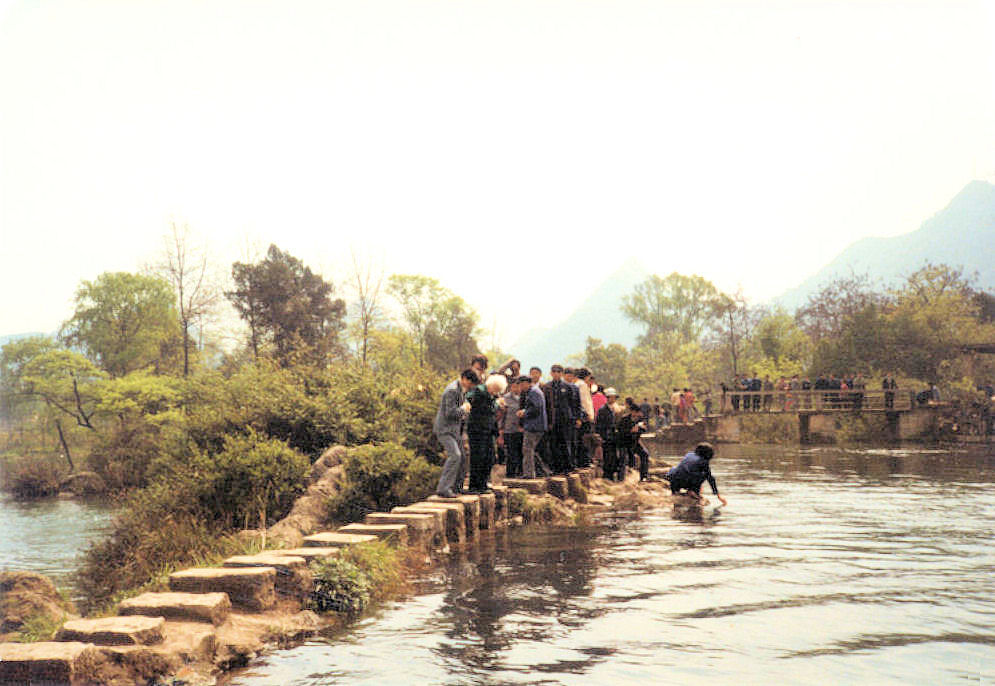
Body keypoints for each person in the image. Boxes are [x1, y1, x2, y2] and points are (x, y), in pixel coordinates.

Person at [433, 369, 479, 497]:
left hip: (454, 430)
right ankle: (443, 488)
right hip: (445, 430)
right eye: (471, 384)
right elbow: (450, 413)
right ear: (465, 379)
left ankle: (457, 487)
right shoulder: (452, 390)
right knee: (455, 455)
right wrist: (463, 409)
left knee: (463, 457)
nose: (471, 387)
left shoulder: (460, 389)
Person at [463, 374, 507, 493]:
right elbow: (468, 398)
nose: (496, 393)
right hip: (477, 430)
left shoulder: (492, 396)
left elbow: (492, 408)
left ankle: (483, 483)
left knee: (489, 457)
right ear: (491, 386)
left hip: (487, 430)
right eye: (496, 390)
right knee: (478, 457)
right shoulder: (479, 391)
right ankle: (475, 486)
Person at [518, 375, 550, 478]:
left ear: (527, 383)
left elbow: (536, 408)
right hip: (535, 425)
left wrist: (524, 413)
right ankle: (544, 471)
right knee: (531, 450)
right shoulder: (532, 392)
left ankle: (529, 474)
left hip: (534, 426)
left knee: (527, 449)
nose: (521, 387)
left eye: (522, 384)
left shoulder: (534, 392)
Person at [617, 398, 650, 481]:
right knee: (623, 458)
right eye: (635, 413)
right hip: (624, 442)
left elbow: (644, 429)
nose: (637, 415)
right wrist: (630, 431)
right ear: (632, 412)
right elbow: (620, 432)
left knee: (645, 454)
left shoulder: (640, 419)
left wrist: (640, 428)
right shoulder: (624, 419)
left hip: (634, 442)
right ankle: (621, 478)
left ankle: (643, 477)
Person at [498, 377, 524, 478]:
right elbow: (502, 416)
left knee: (521, 453)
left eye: (518, 386)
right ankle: (510, 475)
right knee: (511, 454)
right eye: (513, 386)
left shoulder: (524, 397)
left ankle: (521, 473)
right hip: (509, 430)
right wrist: (501, 431)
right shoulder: (505, 398)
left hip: (521, 430)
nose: (516, 389)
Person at [596, 387, 622, 481]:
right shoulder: (602, 410)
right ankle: (607, 476)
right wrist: (601, 436)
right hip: (606, 436)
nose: (613, 399)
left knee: (614, 456)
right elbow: (599, 425)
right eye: (611, 397)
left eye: (614, 398)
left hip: (613, 437)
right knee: (607, 456)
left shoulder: (615, 409)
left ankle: (612, 475)